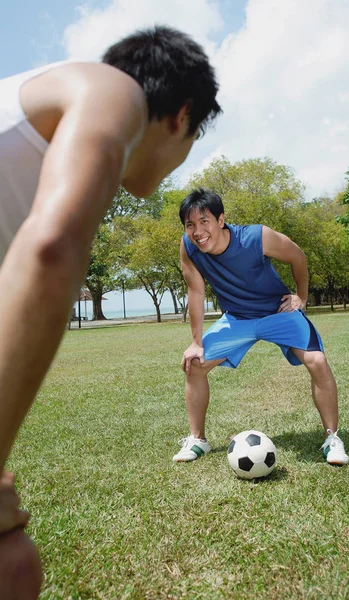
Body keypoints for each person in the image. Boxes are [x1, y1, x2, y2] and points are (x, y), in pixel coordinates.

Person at [0, 27, 221, 597]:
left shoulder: (47, 138)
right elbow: (51, 251)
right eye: (195, 137)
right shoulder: (113, 92)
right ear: (181, 116)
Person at [173, 189, 349, 466]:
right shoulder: (189, 247)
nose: (197, 231)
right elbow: (195, 292)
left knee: (317, 360)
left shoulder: (257, 237)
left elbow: (298, 256)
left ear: (221, 220)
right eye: (190, 225)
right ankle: (198, 440)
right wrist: (196, 342)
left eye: (204, 221)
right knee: (195, 364)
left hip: (277, 313)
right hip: (237, 318)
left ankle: (332, 438)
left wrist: (300, 297)